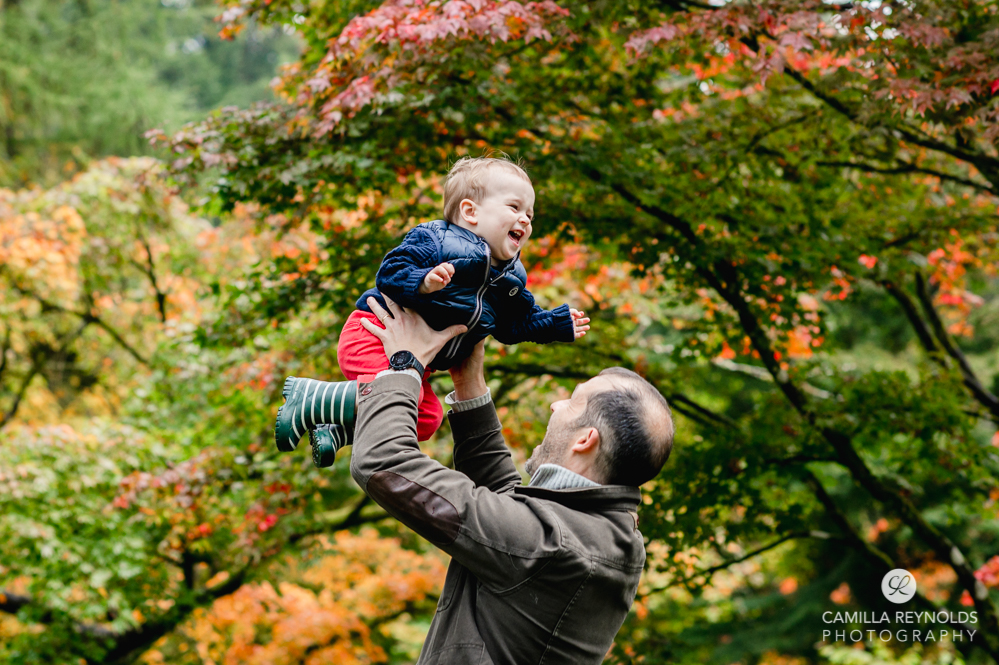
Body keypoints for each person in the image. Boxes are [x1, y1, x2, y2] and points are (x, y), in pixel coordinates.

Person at [331, 295, 674, 664]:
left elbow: (383, 463)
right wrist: (468, 379)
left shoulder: (552, 545)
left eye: (572, 402)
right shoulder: (602, 533)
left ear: (585, 440)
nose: (556, 406)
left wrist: (404, 364)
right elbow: (508, 506)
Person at [274, 156, 590, 465]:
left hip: (416, 363)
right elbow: (390, 271)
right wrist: (422, 283)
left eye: (530, 215)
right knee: (397, 398)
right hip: (376, 333)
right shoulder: (437, 239)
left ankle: (336, 430)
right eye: (514, 207)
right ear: (470, 212)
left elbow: (513, 326)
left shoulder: (510, 280)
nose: (525, 220)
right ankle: (311, 394)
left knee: (427, 419)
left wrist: (555, 324)